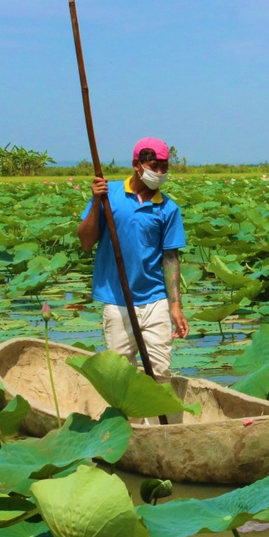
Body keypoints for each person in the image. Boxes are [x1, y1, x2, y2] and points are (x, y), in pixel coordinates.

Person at [77, 137, 189, 380]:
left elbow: (170, 259)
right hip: (117, 300)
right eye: (154, 167)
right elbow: (85, 242)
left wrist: (175, 306)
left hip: (154, 299)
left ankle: (158, 405)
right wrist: (96, 202)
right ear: (136, 165)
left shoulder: (168, 208)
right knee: (121, 373)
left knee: (160, 371)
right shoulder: (109, 195)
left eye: (164, 169)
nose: (159, 174)